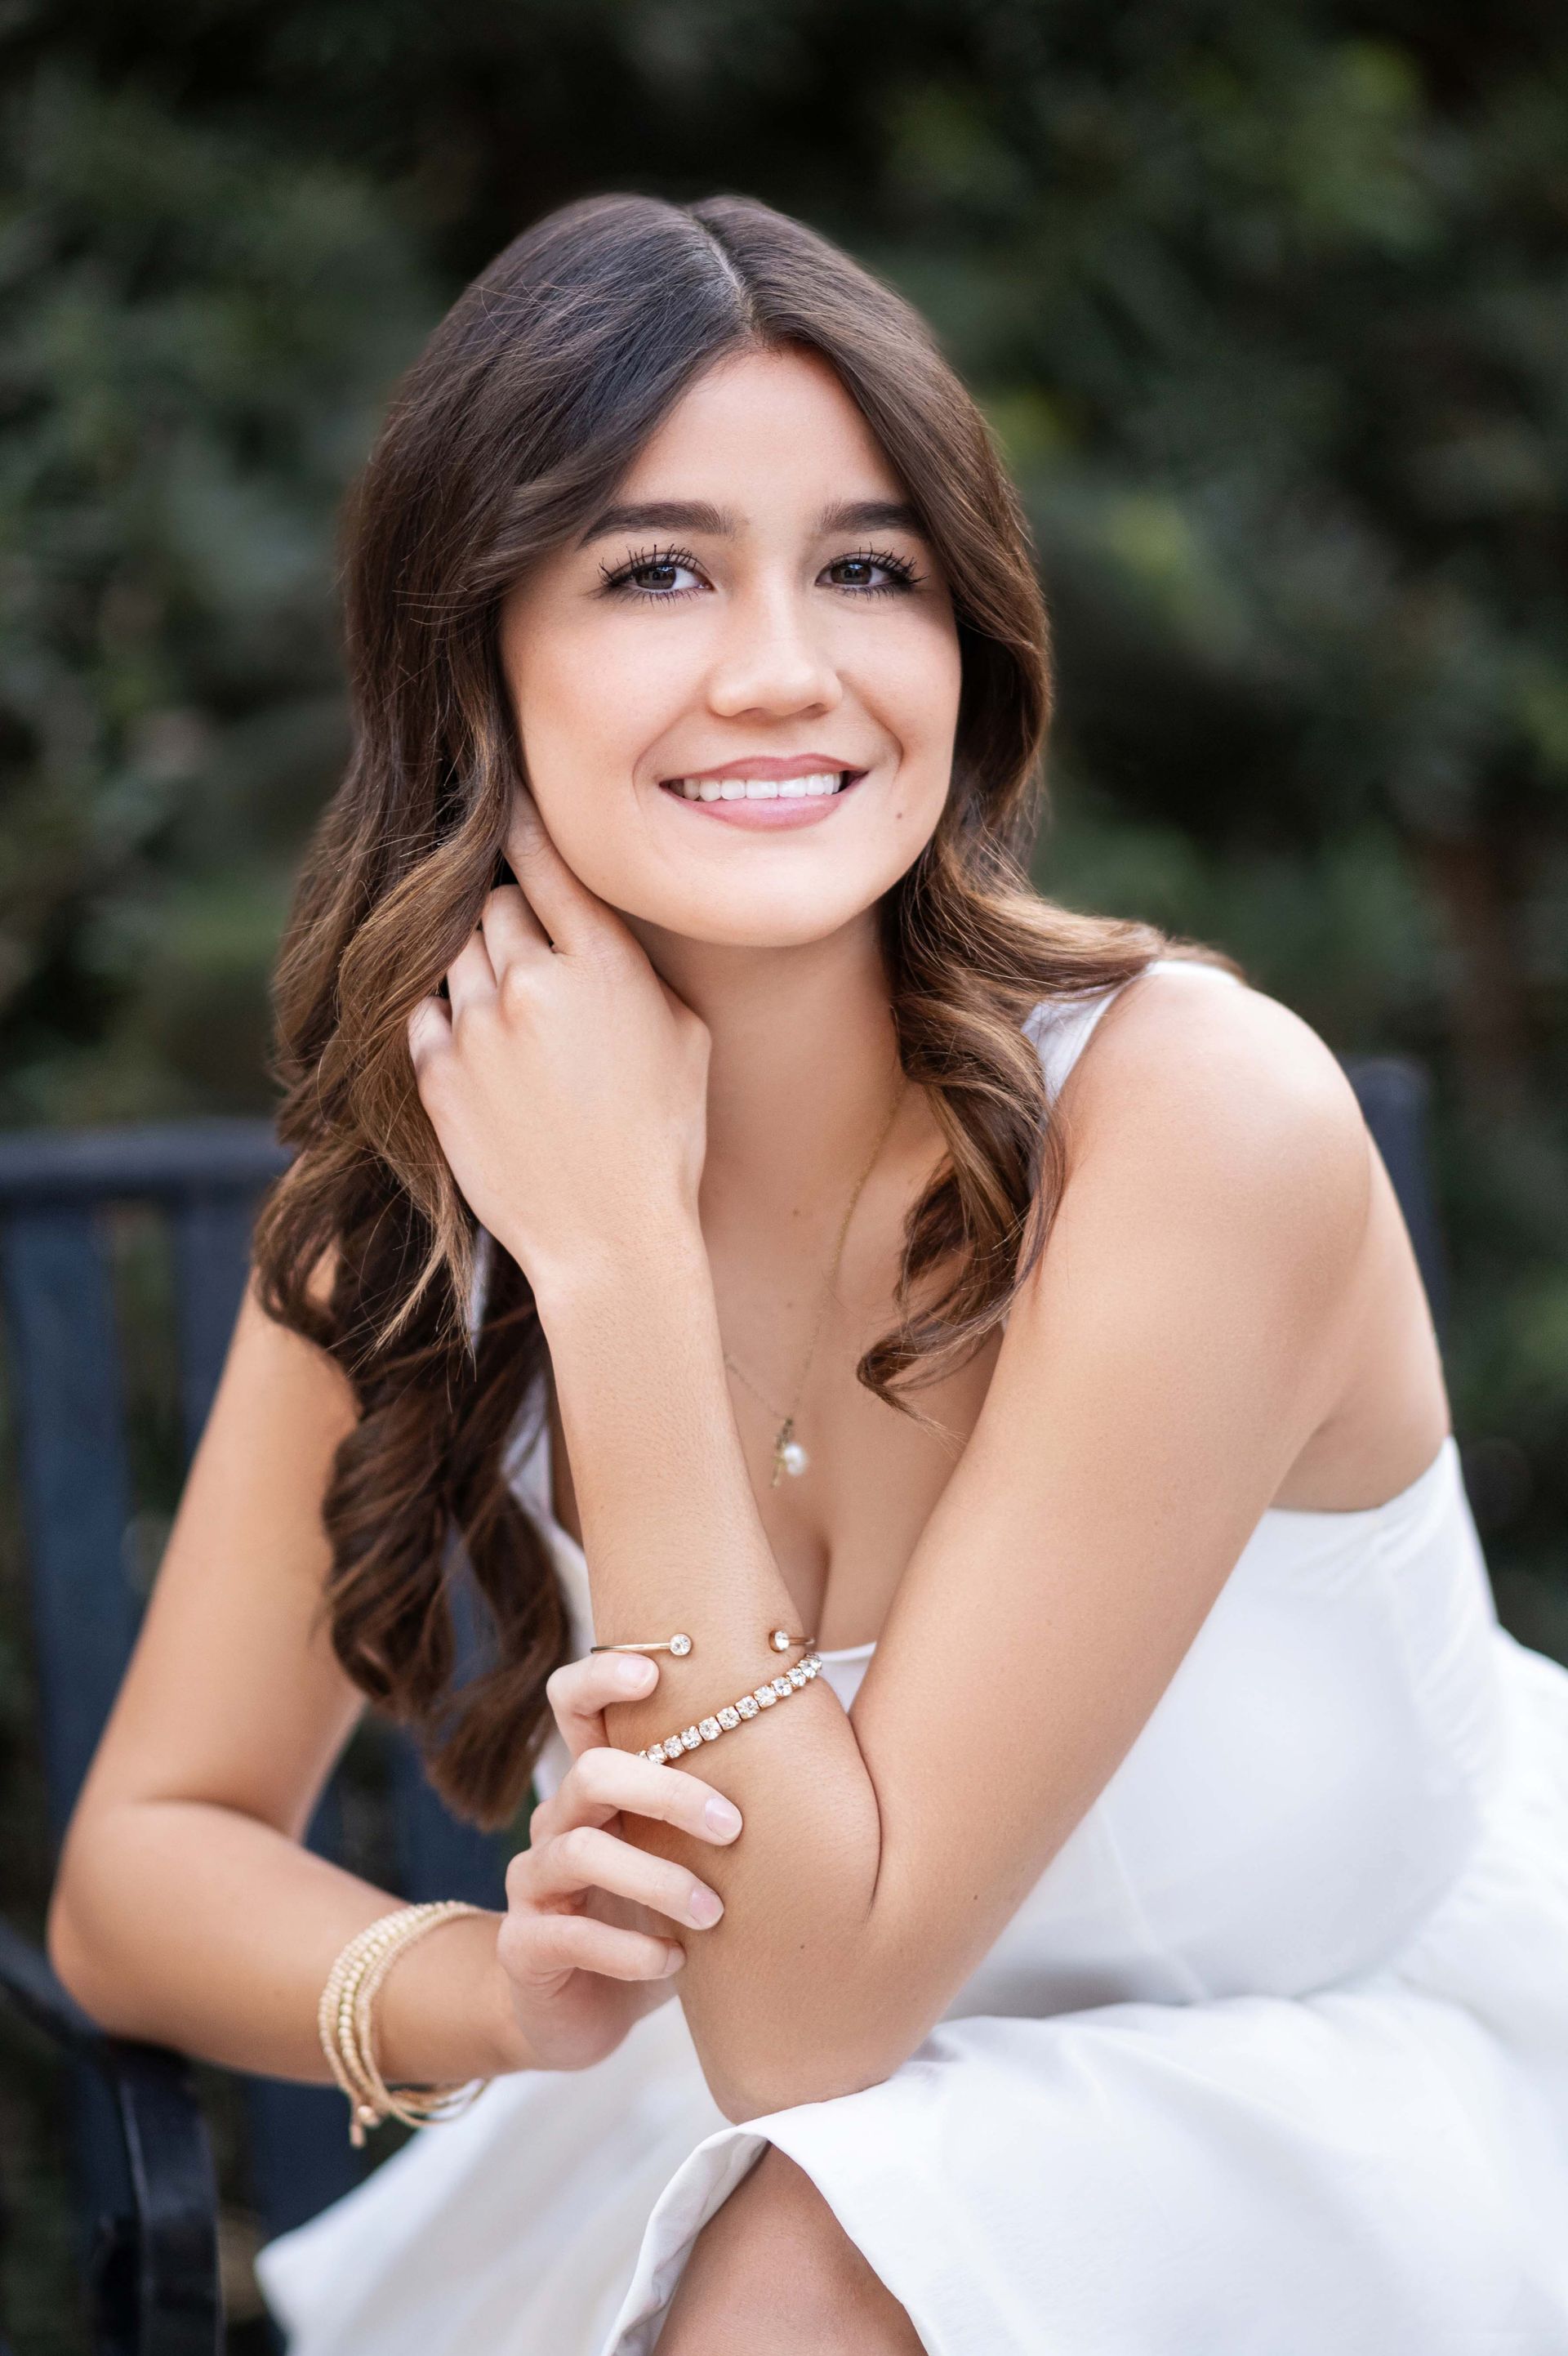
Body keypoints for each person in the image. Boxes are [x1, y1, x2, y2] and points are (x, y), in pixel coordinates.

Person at [46, 192, 1568, 2356]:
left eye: (870, 566)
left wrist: (617, 1265)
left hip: (1359, 2110)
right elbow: (141, 1863)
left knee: (807, 2262)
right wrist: (495, 1986)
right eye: (657, 569)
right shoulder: (416, 1196)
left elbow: (814, 2021)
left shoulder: (1197, 1123)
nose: (786, 663)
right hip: (814, 2131)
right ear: (471, 656)